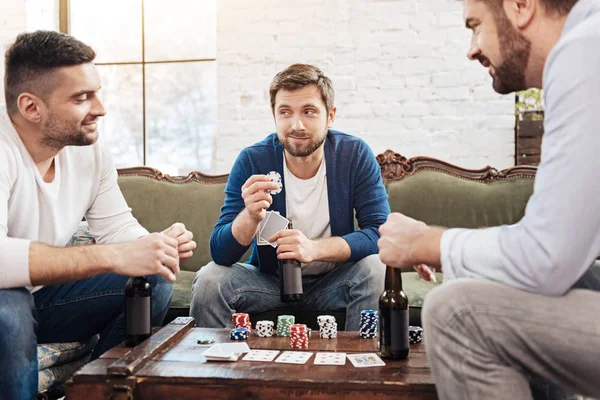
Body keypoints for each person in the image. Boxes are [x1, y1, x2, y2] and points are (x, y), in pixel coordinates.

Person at [377, 0, 600, 399]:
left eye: (475, 26)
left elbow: (545, 256)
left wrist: (425, 243)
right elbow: (563, 251)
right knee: (502, 281)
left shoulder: (584, 50)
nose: (472, 48)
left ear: (520, 6)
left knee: (456, 313)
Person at [0, 31, 196, 399]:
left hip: (42, 299)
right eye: (81, 98)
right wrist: (113, 256)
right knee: (8, 312)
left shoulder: (87, 151)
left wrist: (153, 245)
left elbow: (115, 225)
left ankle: (98, 393)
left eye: (96, 92)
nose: (100, 108)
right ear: (30, 107)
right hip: (4, 300)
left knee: (152, 277)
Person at [190, 63, 389, 331]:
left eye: (309, 112)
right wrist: (249, 216)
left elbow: (379, 233)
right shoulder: (252, 160)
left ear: (330, 116)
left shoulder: (353, 155)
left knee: (375, 268)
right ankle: (215, 369)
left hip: (335, 281)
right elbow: (220, 253)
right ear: (274, 116)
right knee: (209, 279)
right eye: (285, 112)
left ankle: (358, 365)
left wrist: (313, 248)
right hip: (268, 283)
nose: (296, 125)